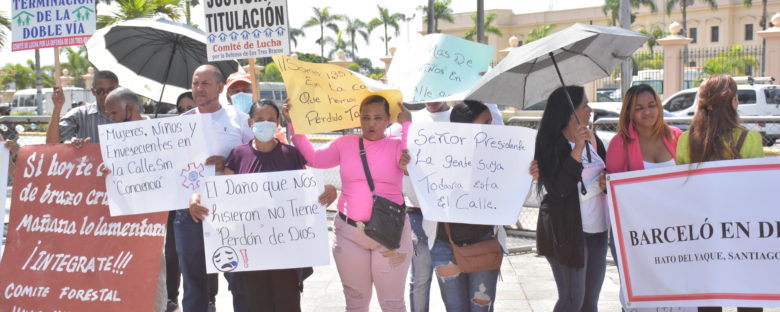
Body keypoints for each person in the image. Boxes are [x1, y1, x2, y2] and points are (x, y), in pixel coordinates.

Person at [188, 100, 337, 312]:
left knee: (287, 304)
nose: (264, 124)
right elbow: (222, 196)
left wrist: (326, 191)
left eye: (270, 120)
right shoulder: (238, 155)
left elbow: (308, 195)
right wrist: (196, 198)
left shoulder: (291, 155)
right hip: (250, 251)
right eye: (259, 120)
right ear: (249, 122)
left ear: (278, 123)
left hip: (286, 250)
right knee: (253, 304)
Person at [284, 94, 412, 311]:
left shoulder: (398, 146)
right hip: (349, 234)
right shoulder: (345, 144)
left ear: (389, 119)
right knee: (355, 302)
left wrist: (407, 124)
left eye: (378, 118)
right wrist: (292, 123)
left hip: (391, 234)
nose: (371, 123)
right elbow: (314, 159)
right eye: (366, 117)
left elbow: (413, 162)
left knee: (392, 304)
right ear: (359, 118)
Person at [676, 74, 764, 312]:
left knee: (708, 300)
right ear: (734, 102)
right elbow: (758, 190)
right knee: (748, 299)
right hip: (743, 235)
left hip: (703, 234)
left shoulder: (685, 141)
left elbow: (680, 190)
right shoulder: (750, 139)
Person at [175, 64, 254, 312]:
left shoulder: (240, 120)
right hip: (190, 214)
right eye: (195, 83)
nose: (199, 88)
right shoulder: (180, 124)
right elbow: (170, 172)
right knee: (194, 286)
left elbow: (255, 160)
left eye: (205, 83)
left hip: (232, 214)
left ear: (220, 88)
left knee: (240, 281)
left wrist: (229, 162)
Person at [605, 84, 686, 311]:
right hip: (636, 238)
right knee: (639, 295)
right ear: (629, 112)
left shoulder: (677, 137)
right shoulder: (619, 143)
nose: (648, 112)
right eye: (639, 108)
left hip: (674, 234)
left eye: (652, 105)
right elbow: (613, 191)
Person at [534, 85, 608, 312]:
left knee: (589, 302)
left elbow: (605, 175)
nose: (590, 109)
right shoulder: (550, 145)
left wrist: (607, 180)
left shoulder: (594, 140)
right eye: (584, 105)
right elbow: (559, 188)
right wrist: (577, 149)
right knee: (571, 301)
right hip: (568, 233)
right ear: (569, 112)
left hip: (598, 231)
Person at [428, 100, 504, 311]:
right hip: (445, 246)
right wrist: (410, 170)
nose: (491, 127)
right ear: (466, 126)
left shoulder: (499, 157)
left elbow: (512, 200)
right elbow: (420, 196)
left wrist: (527, 174)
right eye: (486, 122)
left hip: (483, 244)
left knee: (481, 308)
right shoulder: (438, 154)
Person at [387, 101, 450, 312]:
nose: (431, 97)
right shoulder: (404, 123)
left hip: (449, 217)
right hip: (416, 214)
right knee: (420, 279)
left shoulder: (460, 119)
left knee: (450, 280)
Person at [46, 70, 119, 144]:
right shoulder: (79, 115)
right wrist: (57, 107)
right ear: (93, 91)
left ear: (117, 90)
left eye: (110, 91)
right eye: (101, 91)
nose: (106, 95)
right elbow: (51, 142)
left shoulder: (127, 115)